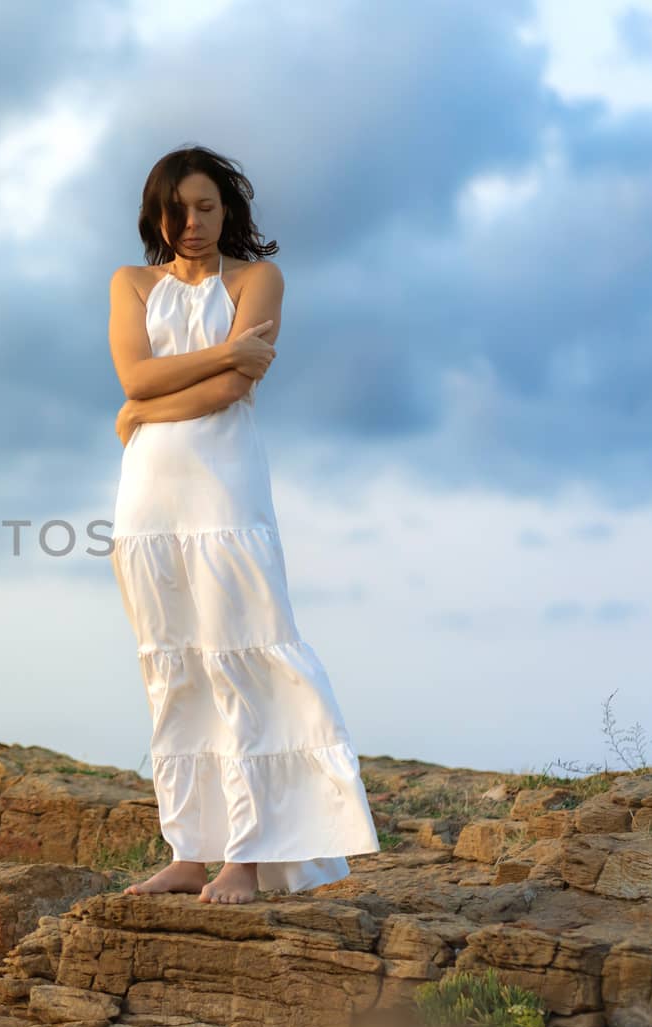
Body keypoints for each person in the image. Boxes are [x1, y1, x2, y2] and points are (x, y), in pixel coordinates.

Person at [107, 145, 381, 904]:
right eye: (178, 208)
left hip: (223, 490)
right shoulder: (131, 283)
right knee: (175, 669)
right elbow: (134, 374)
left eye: (207, 207)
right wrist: (204, 361)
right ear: (155, 213)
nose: (192, 223)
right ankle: (189, 848)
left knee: (243, 659)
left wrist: (141, 411)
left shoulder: (258, 279)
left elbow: (234, 385)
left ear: (228, 211)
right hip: (148, 499)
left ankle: (250, 855)